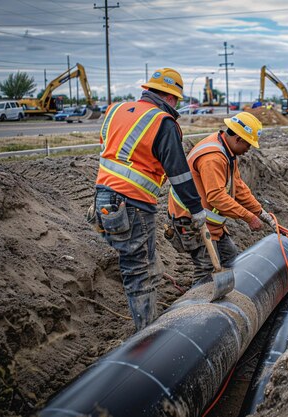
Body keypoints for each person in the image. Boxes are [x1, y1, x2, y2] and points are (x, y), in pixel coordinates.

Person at [93, 68, 209, 331]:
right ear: (170, 97)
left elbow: (109, 149)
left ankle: (145, 321)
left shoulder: (115, 110)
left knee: (136, 262)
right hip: (133, 202)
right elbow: (179, 173)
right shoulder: (163, 122)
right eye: (177, 100)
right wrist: (196, 208)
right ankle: (146, 335)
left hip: (104, 198)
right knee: (139, 271)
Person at [167, 111, 277, 283]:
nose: (248, 150)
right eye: (248, 144)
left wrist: (261, 213)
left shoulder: (226, 151)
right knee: (206, 270)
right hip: (192, 220)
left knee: (230, 259)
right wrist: (249, 218)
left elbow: (239, 188)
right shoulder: (214, 158)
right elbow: (216, 197)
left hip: (210, 222)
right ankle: (198, 305)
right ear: (238, 139)